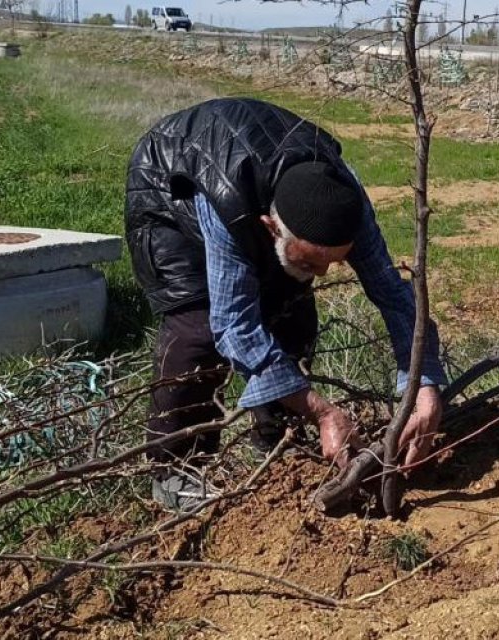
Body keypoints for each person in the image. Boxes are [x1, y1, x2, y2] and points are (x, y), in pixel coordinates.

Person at [124, 98, 447, 511]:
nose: (326, 273)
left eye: (335, 260)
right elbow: (234, 324)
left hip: (255, 175)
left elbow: (392, 292)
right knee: (199, 330)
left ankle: (275, 439)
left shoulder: (345, 205)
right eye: (314, 260)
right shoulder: (228, 208)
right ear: (270, 226)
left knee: (291, 311)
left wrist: (423, 385)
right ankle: (177, 469)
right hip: (171, 183)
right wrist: (326, 413)